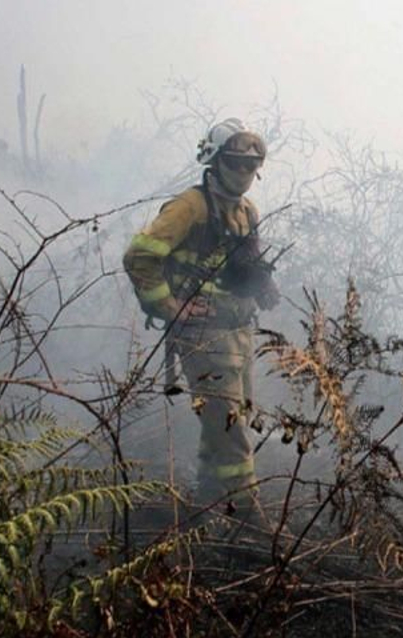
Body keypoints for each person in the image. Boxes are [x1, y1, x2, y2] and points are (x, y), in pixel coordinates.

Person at [122, 118, 279, 513]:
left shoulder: (246, 211)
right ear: (214, 159)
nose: (244, 172)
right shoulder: (190, 207)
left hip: (238, 334)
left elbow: (247, 262)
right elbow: (139, 256)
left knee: (222, 428)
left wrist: (262, 286)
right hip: (204, 337)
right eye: (235, 163)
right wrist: (171, 307)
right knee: (232, 435)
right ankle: (254, 528)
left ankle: (209, 510)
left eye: (251, 165)